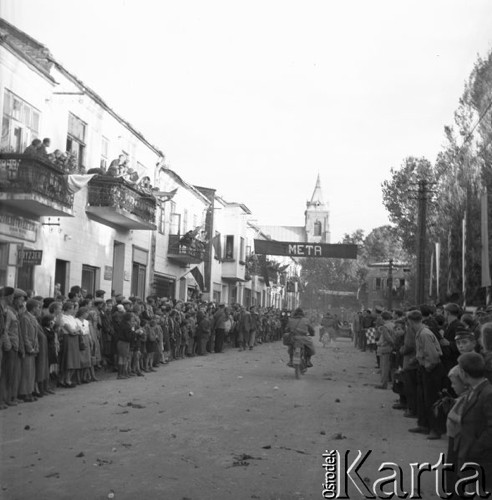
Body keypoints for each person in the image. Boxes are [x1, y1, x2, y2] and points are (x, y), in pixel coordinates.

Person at [455, 352, 492, 492]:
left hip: (481, 461)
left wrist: (476, 448)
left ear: (464, 373)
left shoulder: (488, 394)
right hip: (471, 458)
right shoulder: (476, 390)